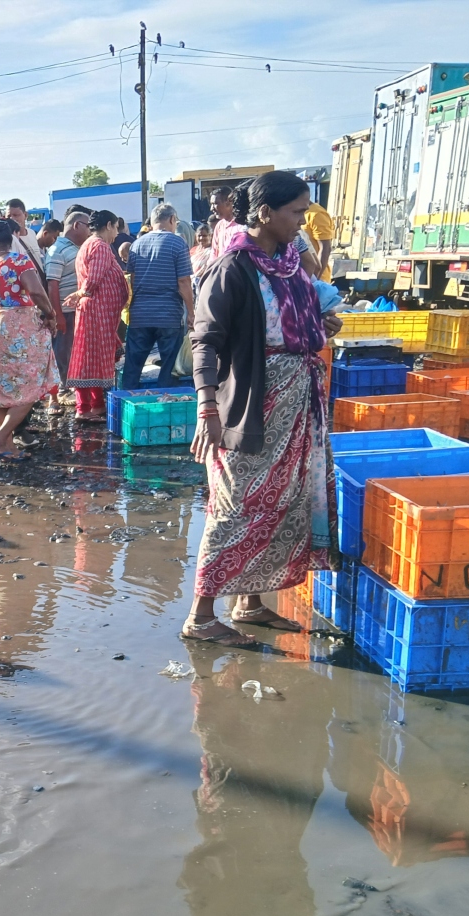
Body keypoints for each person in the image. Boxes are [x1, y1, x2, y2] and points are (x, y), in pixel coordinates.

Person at [185, 170, 345, 646]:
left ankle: (249, 602)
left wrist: (320, 324)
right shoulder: (232, 269)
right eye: (296, 212)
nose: (303, 221)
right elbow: (205, 342)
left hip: (296, 400)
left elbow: (298, 319)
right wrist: (206, 408)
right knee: (237, 504)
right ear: (264, 214)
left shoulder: (292, 264)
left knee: (282, 500)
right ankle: (200, 616)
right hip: (251, 403)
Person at [0, 219, 59, 460]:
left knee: (1, 389)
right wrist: (50, 315)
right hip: (19, 327)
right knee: (33, 382)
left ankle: (7, 446)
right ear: (12, 241)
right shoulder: (19, 262)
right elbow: (37, 292)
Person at [63, 210, 127, 421]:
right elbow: (95, 278)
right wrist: (81, 292)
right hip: (96, 311)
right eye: (116, 228)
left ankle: (96, 405)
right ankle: (85, 408)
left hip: (97, 311)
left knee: (94, 357)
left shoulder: (88, 245)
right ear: (108, 225)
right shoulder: (99, 245)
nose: (117, 233)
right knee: (90, 359)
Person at [122, 203, 194, 389]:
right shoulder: (178, 243)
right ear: (171, 219)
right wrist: (192, 313)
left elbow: (132, 280)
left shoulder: (136, 245)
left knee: (133, 365)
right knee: (170, 367)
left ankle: (127, 404)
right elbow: (183, 282)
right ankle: (164, 405)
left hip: (140, 315)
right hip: (168, 315)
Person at [45, 210, 90, 396]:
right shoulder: (57, 250)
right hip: (65, 311)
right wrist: (58, 315)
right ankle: (62, 388)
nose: (91, 231)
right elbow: (52, 285)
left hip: (76, 310)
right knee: (63, 352)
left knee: (73, 352)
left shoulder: (75, 247)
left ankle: (72, 386)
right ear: (77, 225)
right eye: (88, 226)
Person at [5, 199, 45, 273]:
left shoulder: (32, 233)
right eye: (8, 216)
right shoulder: (6, 239)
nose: (12, 219)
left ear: (25, 215)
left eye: (16, 215)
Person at [302, 200, 334, 282]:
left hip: (317, 278)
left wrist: (315, 279)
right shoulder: (301, 212)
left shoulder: (316, 214)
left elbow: (325, 248)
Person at [210, 185, 246, 256]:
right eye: (211, 204)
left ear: (229, 202)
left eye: (215, 204)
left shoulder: (241, 226)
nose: (211, 208)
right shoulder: (219, 225)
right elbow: (214, 254)